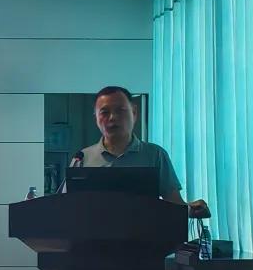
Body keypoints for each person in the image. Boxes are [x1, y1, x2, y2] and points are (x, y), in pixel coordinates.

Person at [78, 85, 210, 219]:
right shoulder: (82, 158)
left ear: (134, 113)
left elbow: (173, 204)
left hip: (145, 232)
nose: (112, 117)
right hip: (95, 232)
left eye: (120, 110)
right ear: (96, 118)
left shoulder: (155, 155)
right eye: (105, 112)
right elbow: (73, 207)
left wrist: (191, 210)